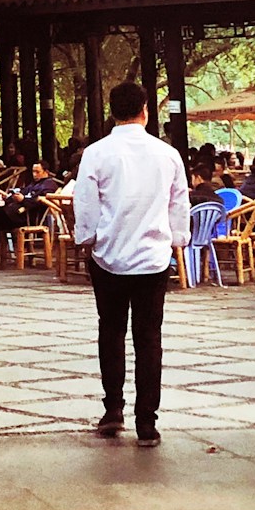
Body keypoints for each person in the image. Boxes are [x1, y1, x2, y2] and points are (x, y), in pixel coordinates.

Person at [73, 82, 188, 448]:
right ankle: (147, 422)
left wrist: (86, 239)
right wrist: (177, 241)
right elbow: (178, 204)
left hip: (108, 256)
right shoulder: (167, 154)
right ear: (145, 110)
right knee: (149, 337)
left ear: (111, 112)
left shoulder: (96, 153)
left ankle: (113, 410)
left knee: (111, 332)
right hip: (153, 258)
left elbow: (86, 204)